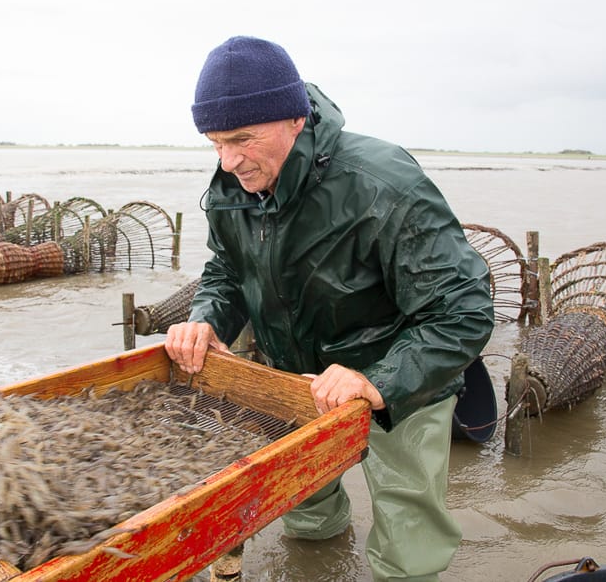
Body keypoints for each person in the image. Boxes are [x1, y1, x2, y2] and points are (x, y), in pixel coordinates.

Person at [165, 36, 495, 581]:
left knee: (408, 538)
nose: (229, 161)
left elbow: (464, 311)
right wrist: (207, 319)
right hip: (295, 382)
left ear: (295, 119)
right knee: (305, 515)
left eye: (243, 139)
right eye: (215, 143)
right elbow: (227, 269)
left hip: (400, 382)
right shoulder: (232, 183)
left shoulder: (382, 181)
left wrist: (376, 379)